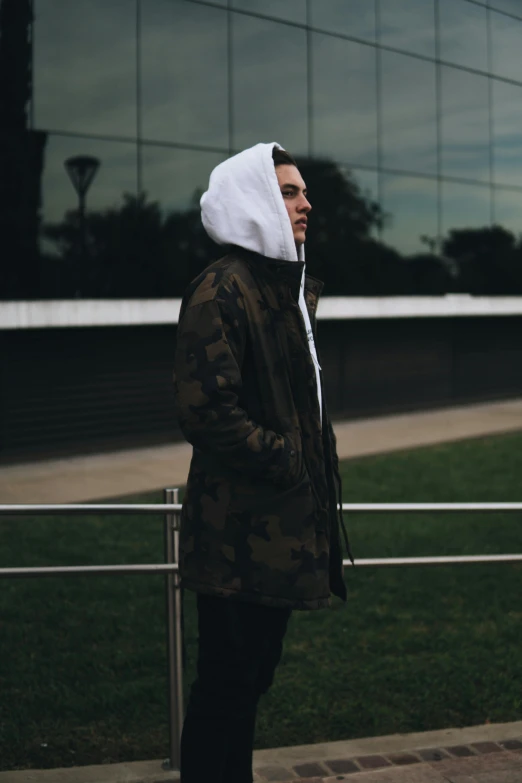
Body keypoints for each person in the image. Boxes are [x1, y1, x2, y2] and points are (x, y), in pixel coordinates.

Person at [173, 142, 353, 783]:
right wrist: (288, 460)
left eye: (302, 191)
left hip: (275, 532)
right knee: (225, 685)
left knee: (250, 682)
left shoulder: (284, 289)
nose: (307, 203)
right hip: (234, 534)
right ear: (254, 202)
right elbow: (205, 410)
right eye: (290, 192)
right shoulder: (222, 290)